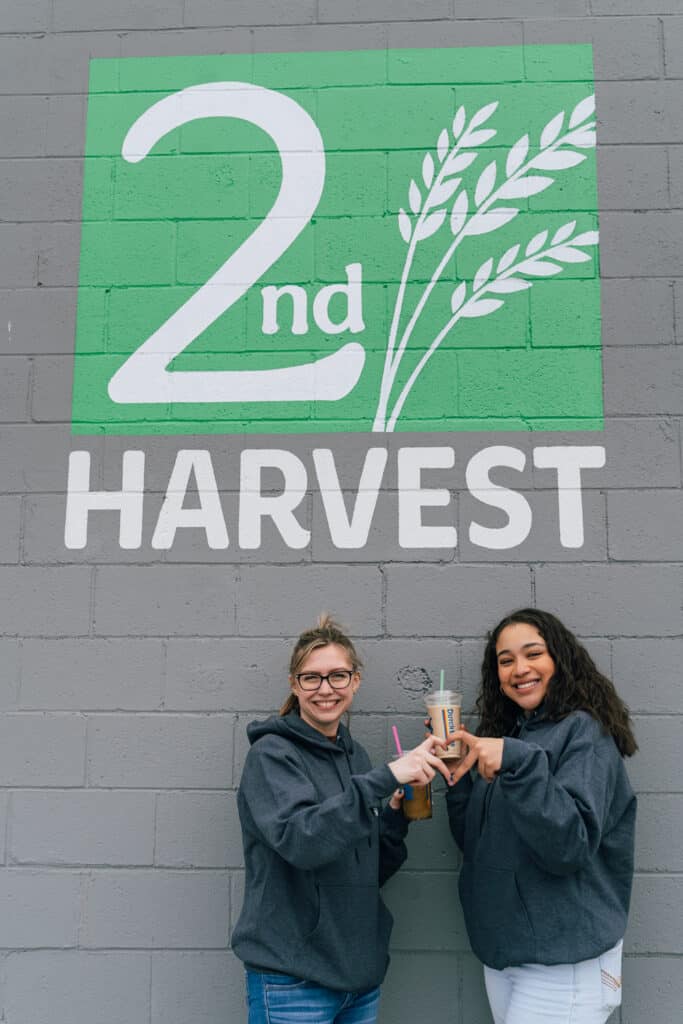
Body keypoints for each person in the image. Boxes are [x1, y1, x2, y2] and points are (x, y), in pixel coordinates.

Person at [232, 613, 453, 1024]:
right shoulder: (272, 756)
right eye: (311, 678)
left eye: (338, 676)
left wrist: (394, 816)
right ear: (294, 686)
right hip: (292, 981)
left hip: (358, 981)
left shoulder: (356, 757)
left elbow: (368, 869)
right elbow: (302, 841)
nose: (325, 689)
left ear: (356, 681)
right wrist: (384, 778)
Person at [445, 608, 637, 1024]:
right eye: (506, 659)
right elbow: (474, 843)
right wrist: (459, 776)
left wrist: (518, 762)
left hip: (564, 962)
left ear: (560, 659)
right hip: (506, 954)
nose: (520, 669)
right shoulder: (511, 734)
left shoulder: (584, 732)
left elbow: (570, 845)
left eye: (533, 653)